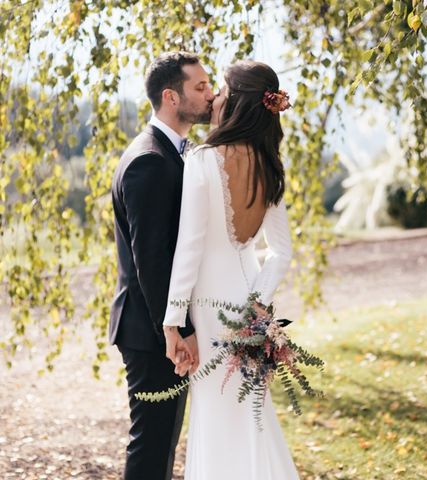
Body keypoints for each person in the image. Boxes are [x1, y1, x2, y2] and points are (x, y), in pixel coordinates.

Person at [162, 60, 299, 479]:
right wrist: (258, 305)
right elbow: (281, 252)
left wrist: (172, 322)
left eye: (221, 89)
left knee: (217, 415)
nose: (216, 97)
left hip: (208, 310)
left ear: (236, 102)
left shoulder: (203, 159)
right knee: (250, 415)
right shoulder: (269, 165)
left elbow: (189, 248)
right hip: (245, 309)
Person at [110, 51, 212, 480]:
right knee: (152, 446)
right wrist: (177, 330)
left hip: (158, 329)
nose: (211, 95)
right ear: (171, 97)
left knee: (160, 443)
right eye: (201, 87)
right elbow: (150, 261)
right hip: (153, 333)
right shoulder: (150, 160)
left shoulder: (172, 154)